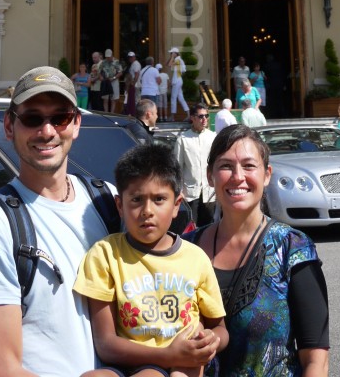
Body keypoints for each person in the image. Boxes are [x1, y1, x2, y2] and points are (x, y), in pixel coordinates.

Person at [0, 66, 111, 377]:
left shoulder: (109, 203)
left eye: (60, 117)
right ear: (10, 126)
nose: (47, 130)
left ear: (76, 124)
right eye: (33, 118)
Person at [74, 142, 228, 377]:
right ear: (120, 205)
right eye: (136, 200)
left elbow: (219, 328)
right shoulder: (105, 254)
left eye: (159, 199)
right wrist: (168, 354)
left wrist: (210, 341)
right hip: (128, 361)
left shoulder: (195, 258)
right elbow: (106, 344)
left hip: (185, 364)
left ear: (177, 205)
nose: (147, 210)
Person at [188, 125, 330, 377]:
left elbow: (315, 358)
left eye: (249, 165)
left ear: (267, 174)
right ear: (210, 176)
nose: (237, 176)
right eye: (225, 166)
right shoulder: (185, 250)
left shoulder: (292, 248)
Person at [174, 103, 216, 227]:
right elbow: (177, 168)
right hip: (190, 193)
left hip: (210, 192)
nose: (205, 119)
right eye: (201, 116)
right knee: (190, 227)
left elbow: (217, 164)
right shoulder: (183, 139)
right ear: (192, 118)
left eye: (207, 116)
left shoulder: (212, 137)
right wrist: (178, 191)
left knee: (208, 226)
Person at [167, 47, 189, 121]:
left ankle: (172, 117)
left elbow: (169, 64)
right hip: (179, 80)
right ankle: (188, 114)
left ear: (175, 53)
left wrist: (172, 57)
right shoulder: (179, 60)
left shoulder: (177, 60)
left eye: (171, 53)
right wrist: (172, 57)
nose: (170, 54)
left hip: (177, 81)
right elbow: (168, 64)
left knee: (173, 98)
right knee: (181, 98)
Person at [99, 50, 122, 114]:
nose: (108, 58)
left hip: (113, 81)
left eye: (109, 57)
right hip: (106, 81)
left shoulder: (116, 62)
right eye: (107, 57)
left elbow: (120, 72)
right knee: (105, 98)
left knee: (113, 99)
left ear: (112, 55)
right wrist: (101, 77)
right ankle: (106, 113)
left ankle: (112, 114)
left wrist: (114, 78)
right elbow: (99, 72)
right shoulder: (103, 62)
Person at [125, 51, 142, 117]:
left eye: (131, 57)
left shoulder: (136, 64)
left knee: (136, 101)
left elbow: (136, 74)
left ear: (134, 57)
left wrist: (133, 83)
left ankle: (137, 115)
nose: (130, 58)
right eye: (129, 57)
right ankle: (135, 114)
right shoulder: (133, 64)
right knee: (134, 101)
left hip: (136, 85)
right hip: (134, 85)